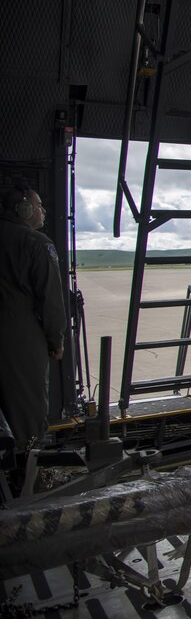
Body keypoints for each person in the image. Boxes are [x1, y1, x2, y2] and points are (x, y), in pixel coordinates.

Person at [0, 184, 67, 451]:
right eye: (39, 206)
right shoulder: (38, 243)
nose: (43, 211)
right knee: (27, 408)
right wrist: (56, 339)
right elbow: (51, 299)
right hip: (20, 339)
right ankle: (29, 475)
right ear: (24, 209)